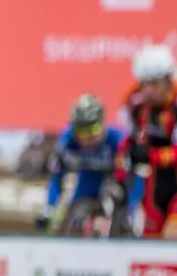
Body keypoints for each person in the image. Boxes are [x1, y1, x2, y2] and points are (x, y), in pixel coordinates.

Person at [114, 45, 177, 240]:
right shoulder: (134, 101)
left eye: (155, 84)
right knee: (151, 245)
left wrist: (150, 155)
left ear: (168, 80)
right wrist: (121, 172)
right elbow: (125, 142)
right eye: (145, 84)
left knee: (171, 237)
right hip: (152, 186)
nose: (149, 91)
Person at [35, 94, 133, 234]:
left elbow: (134, 180)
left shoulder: (118, 140)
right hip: (86, 187)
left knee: (119, 211)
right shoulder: (67, 141)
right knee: (71, 223)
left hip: (116, 187)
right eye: (81, 132)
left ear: (103, 124)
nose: (86, 139)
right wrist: (49, 209)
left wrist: (131, 210)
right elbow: (57, 178)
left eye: (92, 131)